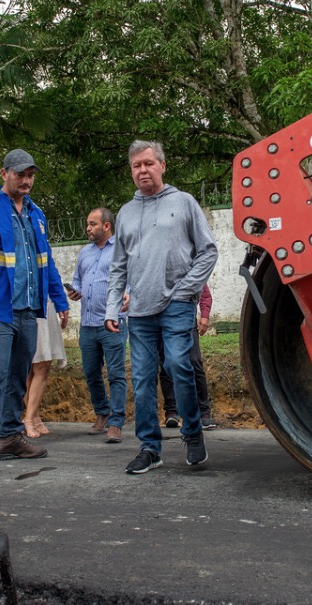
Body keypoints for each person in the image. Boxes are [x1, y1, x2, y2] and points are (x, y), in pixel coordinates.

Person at [104, 140, 218, 474]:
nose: (143, 170)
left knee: (180, 365)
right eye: (136, 165)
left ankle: (193, 433)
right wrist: (113, 308)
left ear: (163, 166)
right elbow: (118, 267)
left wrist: (186, 290)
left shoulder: (183, 203)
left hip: (177, 306)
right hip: (138, 312)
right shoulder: (125, 213)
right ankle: (150, 448)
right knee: (141, 380)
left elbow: (208, 251)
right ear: (131, 171)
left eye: (149, 163)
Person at [0, 148, 69, 479]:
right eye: (20, 174)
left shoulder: (36, 215)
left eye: (30, 175)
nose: (26, 180)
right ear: (4, 173)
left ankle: (10, 437)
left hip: (28, 308)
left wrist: (59, 299)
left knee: (17, 375)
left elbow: (45, 261)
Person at [67, 207, 129, 444]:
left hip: (113, 321)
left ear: (106, 226)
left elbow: (131, 277)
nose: (88, 228)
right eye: (87, 224)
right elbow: (77, 280)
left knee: (116, 373)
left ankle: (116, 422)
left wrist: (129, 294)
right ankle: (102, 412)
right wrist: (74, 291)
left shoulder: (121, 250)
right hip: (88, 323)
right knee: (91, 372)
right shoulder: (84, 253)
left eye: (92, 224)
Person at [160, 283, 215, 430]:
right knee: (166, 365)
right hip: (162, 322)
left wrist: (204, 315)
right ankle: (171, 412)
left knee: (194, 362)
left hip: (186, 321)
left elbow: (205, 293)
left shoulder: (187, 261)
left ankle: (204, 412)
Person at [23, 300, 68, 438]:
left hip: (44, 306)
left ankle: (29, 417)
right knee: (26, 366)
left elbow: (53, 278)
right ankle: (33, 418)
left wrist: (62, 305)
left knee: (43, 365)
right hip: (21, 306)